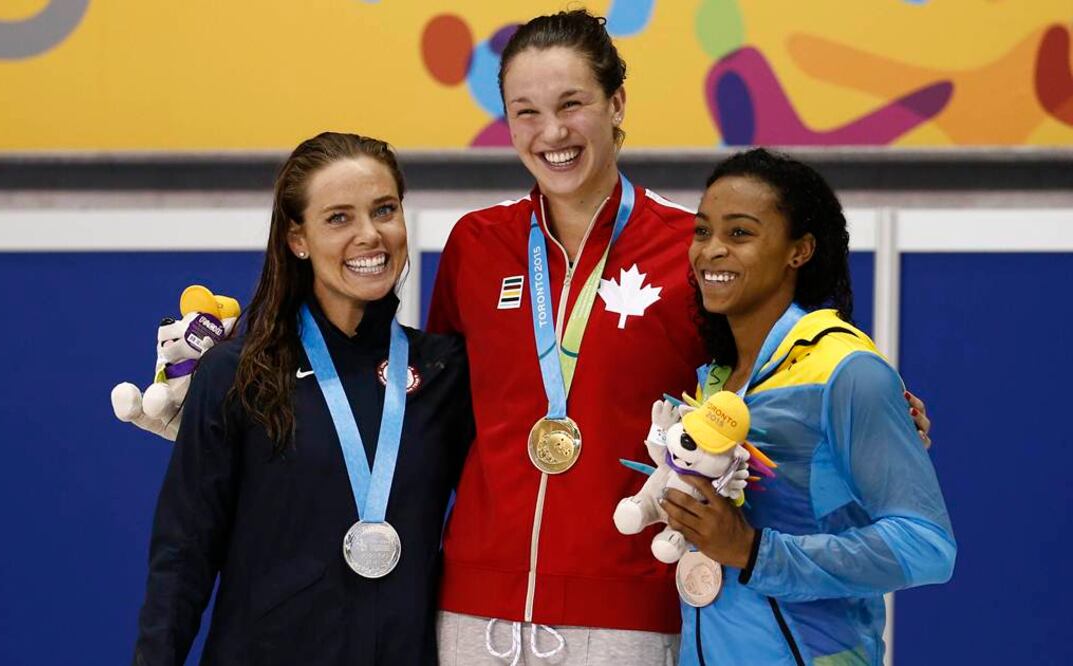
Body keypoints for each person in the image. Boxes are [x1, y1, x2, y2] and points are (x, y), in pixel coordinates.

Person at [427, 11, 932, 666]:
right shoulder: (476, 244)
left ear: (616, 104)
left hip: (636, 613)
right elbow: (433, 415)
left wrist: (867, 417)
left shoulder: (690, 249)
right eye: (525, 112)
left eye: (571, 104)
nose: (550, 132)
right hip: (472, 614)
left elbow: (774, 380)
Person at [133, 132, 473, 666]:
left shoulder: (444, 372)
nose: (370, 235)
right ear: (298, 238)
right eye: (338, 218)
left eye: (384, 210)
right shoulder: (238, 373)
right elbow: (184, 554)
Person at [661, 148, 956, 665]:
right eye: (703, 232)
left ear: (799, 251)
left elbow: (926, 546)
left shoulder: (848, 370)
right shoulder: (712, 382)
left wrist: (754, 552)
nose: (711, 252)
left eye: (740, 233)